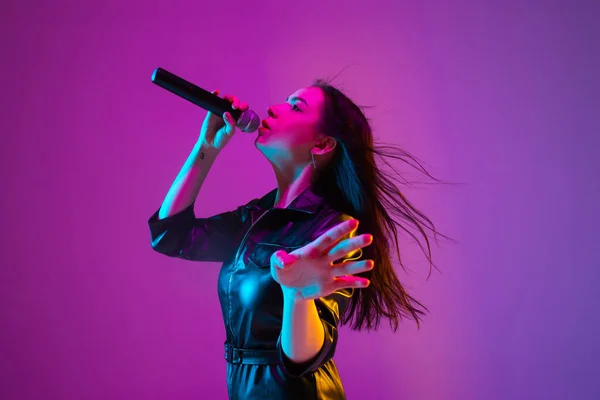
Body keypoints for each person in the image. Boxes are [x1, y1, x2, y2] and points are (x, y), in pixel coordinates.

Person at [148, 80, 442, 399]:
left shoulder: (334, 228)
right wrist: (207, 147)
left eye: (295, 106)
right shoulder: (258, 215)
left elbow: (305, 358)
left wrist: (296, 296)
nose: (275, 108)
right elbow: (171, 235)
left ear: (322, 144)